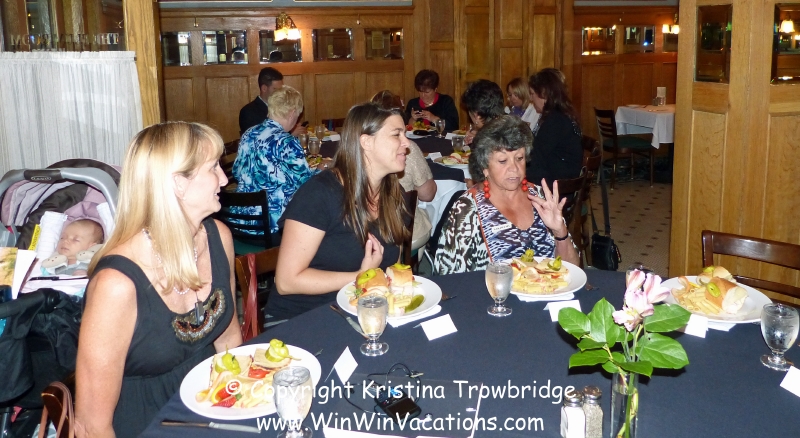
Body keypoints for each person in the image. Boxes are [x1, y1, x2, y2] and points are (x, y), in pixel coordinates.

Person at [75, 122, 242, 438]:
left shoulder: (218, 237)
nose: (224, 179)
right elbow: (90, 425)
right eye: (213, 168)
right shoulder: (117, 285)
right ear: (178, 183)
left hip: (210, 410)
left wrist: (242, 406)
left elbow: (229, 341)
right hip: (144, 426)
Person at [270, 103, 410, 320]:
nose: (406, 143)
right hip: (304, 316)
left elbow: (392, 263)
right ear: (366, 142)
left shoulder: (393, 195)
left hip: (362, 310)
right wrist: (360, 276)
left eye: (405, 134)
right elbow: (286, 282)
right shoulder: (319, 194)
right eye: (396, 135)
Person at [434, 115, 579, 275]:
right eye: (503, 161)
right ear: (484, 167)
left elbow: (573, 271)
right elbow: (451, 280)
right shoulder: (467, 209)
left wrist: (560, 232)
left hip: (549, 288)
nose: (514, 168)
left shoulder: (540, 197)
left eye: (519, 158)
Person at [234, 85, 324, 235]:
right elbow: (307, 184)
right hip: (271, 226)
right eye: (297, 116)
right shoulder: (286, 141)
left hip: (240, 221)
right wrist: (321, 169)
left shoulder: (249, 133)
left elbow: (237, 173)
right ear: (292, 113)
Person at [371, 90, 436, 244]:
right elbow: (427, 195)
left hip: (367, 235)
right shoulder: (408, 148)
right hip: (403, 232)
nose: (404, 142)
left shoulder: (360, 147)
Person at [526, 68, 583, 188]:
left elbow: (537, 157)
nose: (531, 99)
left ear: (543, 93)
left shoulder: (555, 121)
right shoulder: (561, 115)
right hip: (560, 179)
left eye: (532, 93)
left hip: (559, 187)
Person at [239, 67, 283, 134]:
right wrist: (290, 134)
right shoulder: (248, 112)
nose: (280, 93)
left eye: (281, 90)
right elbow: (256, 137)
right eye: (276, 89)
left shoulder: (282, 107)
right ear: (264, 88)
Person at [461, 79, 505, 146]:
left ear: (477, 116)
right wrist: (478, 137)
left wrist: (479, 141)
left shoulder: (493, 145)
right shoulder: (506, 126)